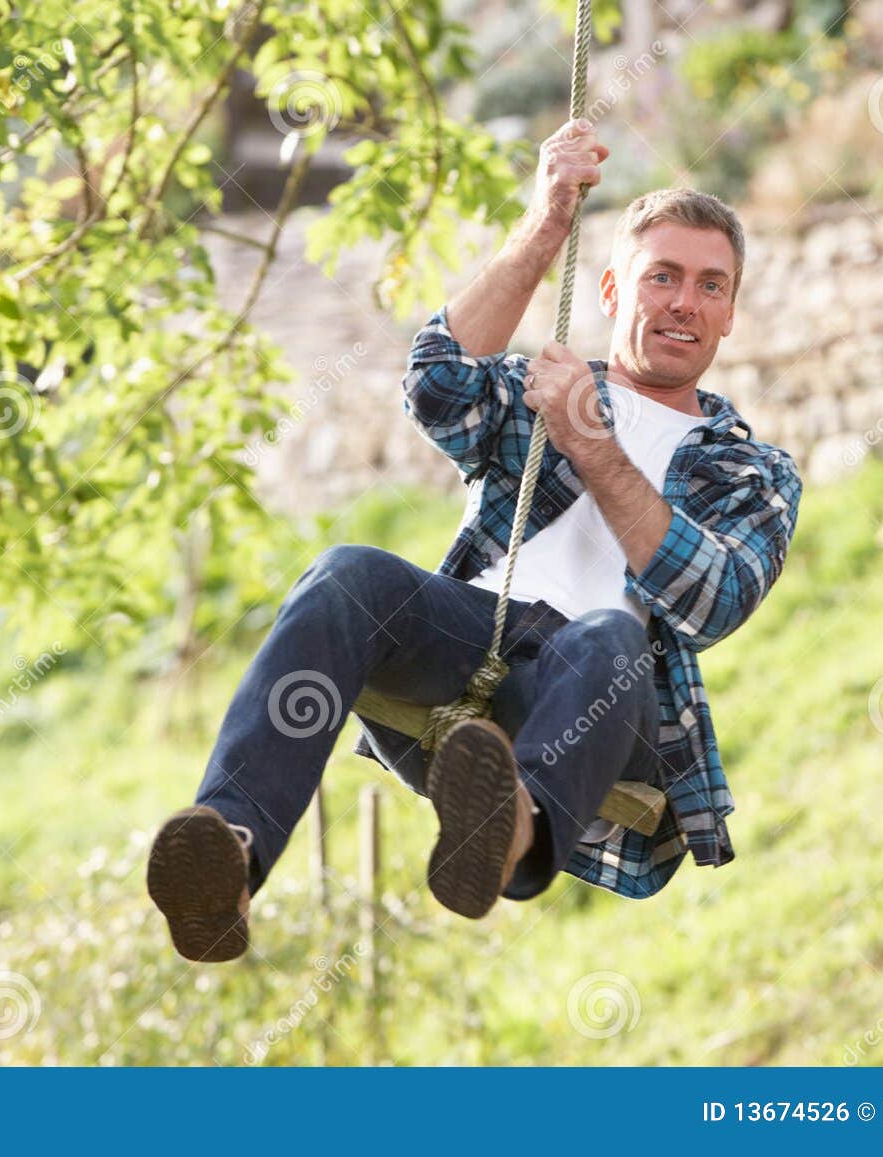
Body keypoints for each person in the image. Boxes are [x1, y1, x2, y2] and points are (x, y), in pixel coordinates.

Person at [147, 119, 802, 963]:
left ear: (731, 313)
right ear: (610, 291)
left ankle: (508, 829)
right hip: (475, 630)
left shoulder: (753, 468)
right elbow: (436, 381)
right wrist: (545, 225)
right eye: (662, 276)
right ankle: (228, 858)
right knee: (346, 574)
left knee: (608, 637)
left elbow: (713, 600)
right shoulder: (544, 383)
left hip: (601, 693)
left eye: (711, 285)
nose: (684, 301)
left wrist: (591, 442)